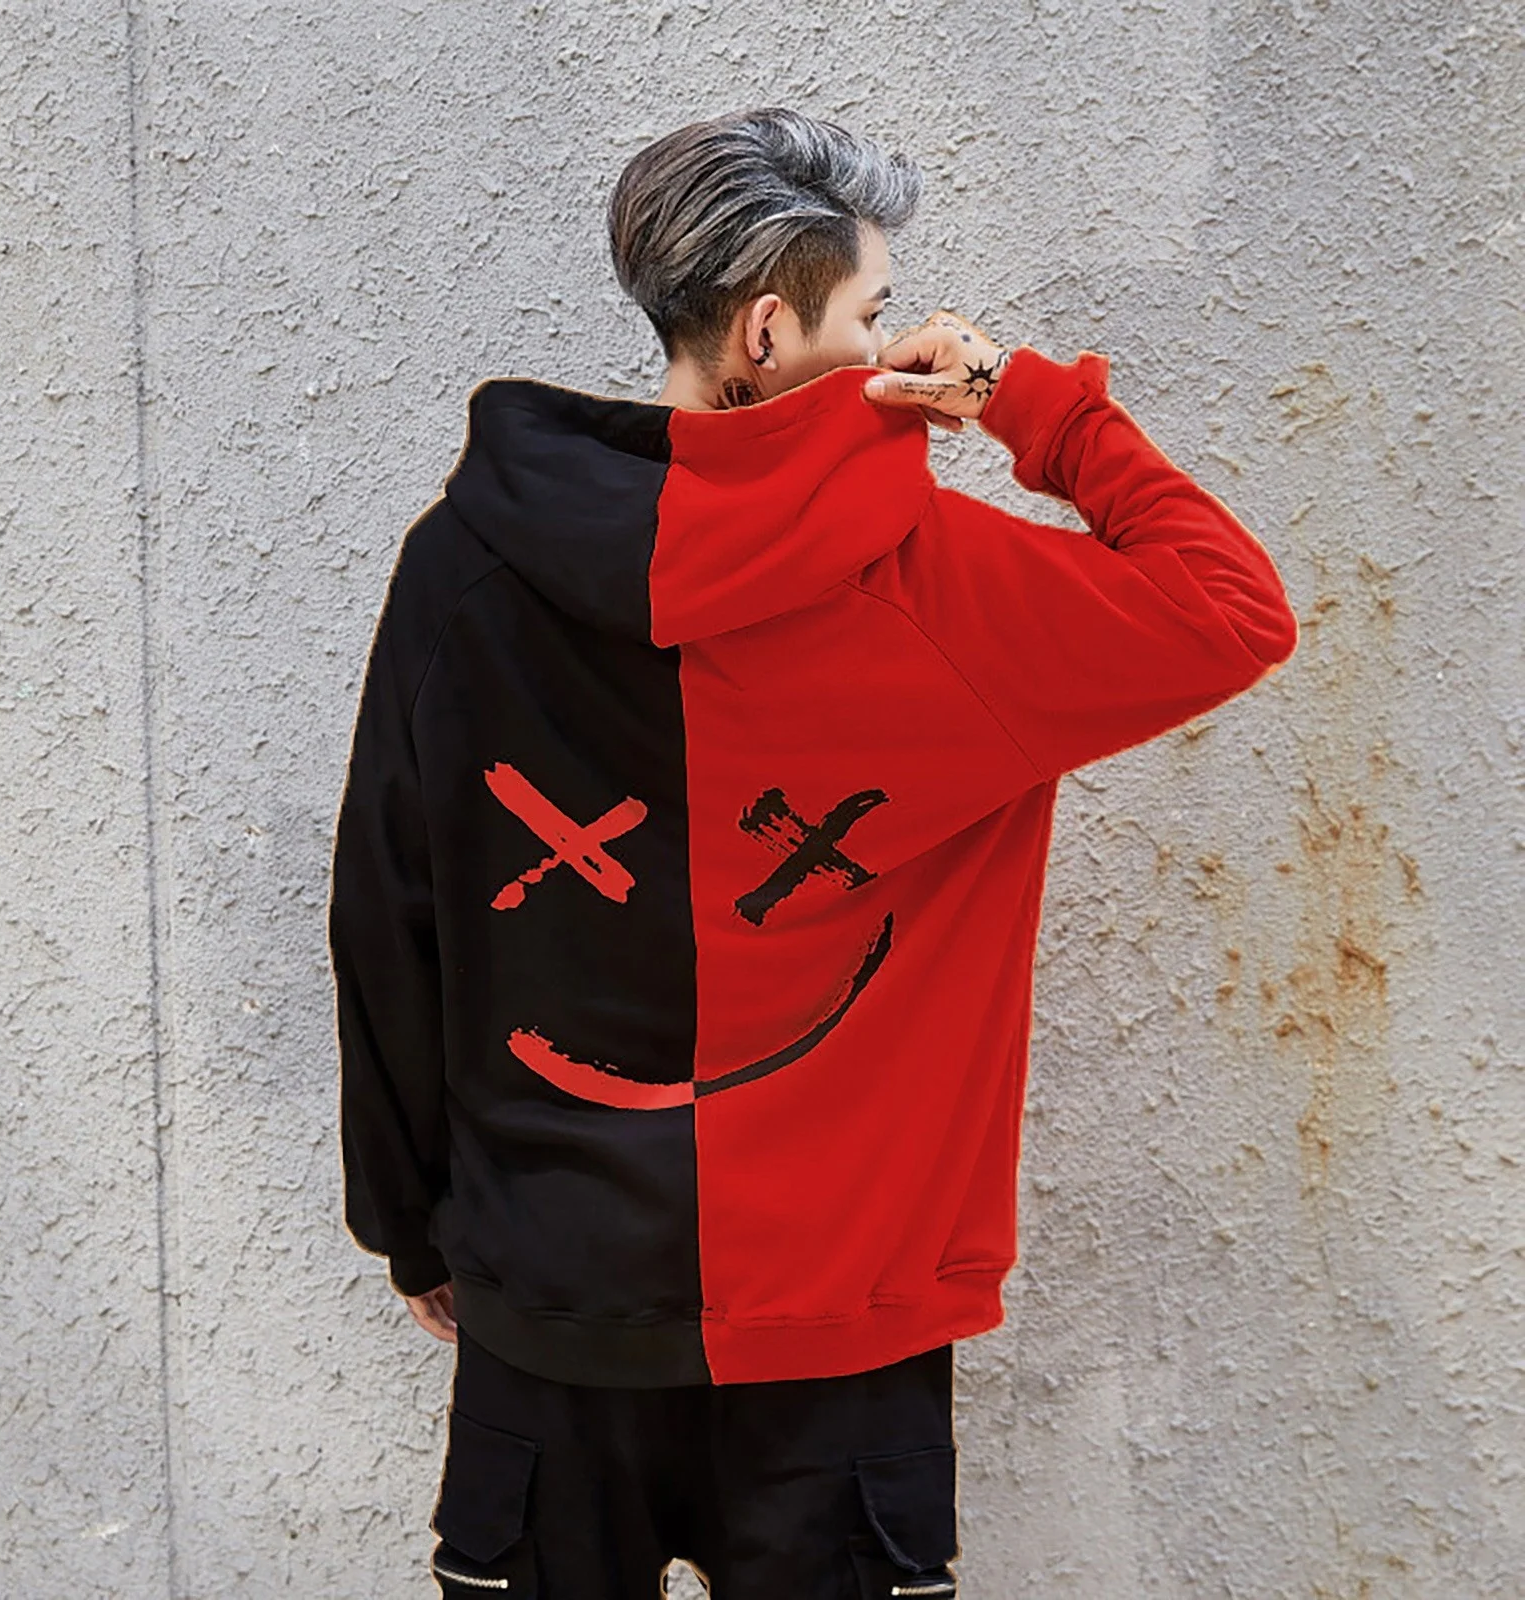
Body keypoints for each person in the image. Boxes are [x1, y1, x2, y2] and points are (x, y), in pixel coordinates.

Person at [327, 105, 1297, 1598]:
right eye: (875, 314)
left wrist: (412, 1227)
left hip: (555, 1288)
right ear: (771, 331)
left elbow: (388, 908)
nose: (896, 347)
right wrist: (1023, 399)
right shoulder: (941, 582)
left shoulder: (463, 568)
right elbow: (1232, 607)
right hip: (842, 1311)